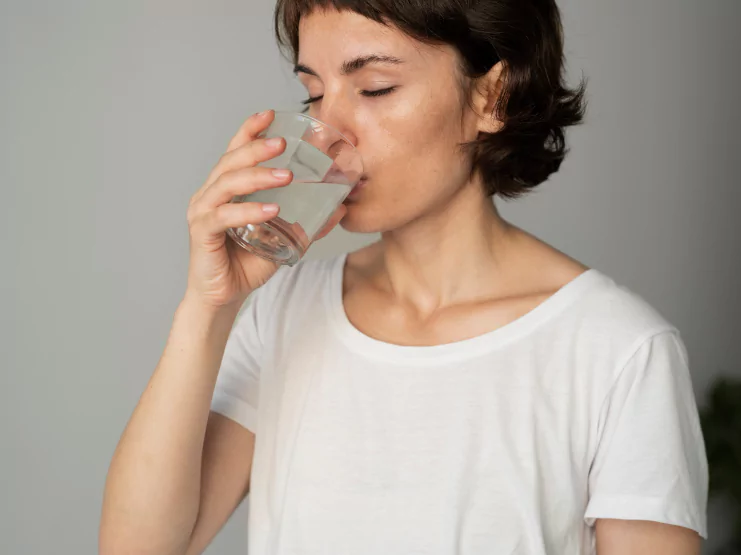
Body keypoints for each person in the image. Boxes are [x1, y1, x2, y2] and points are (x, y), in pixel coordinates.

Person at [99, 1, 708, 554]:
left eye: (374, 87)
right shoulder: (285, 310)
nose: (329, 135)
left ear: (489, 98)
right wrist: (207, 308)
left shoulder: (619, 350)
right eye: (314, 94)